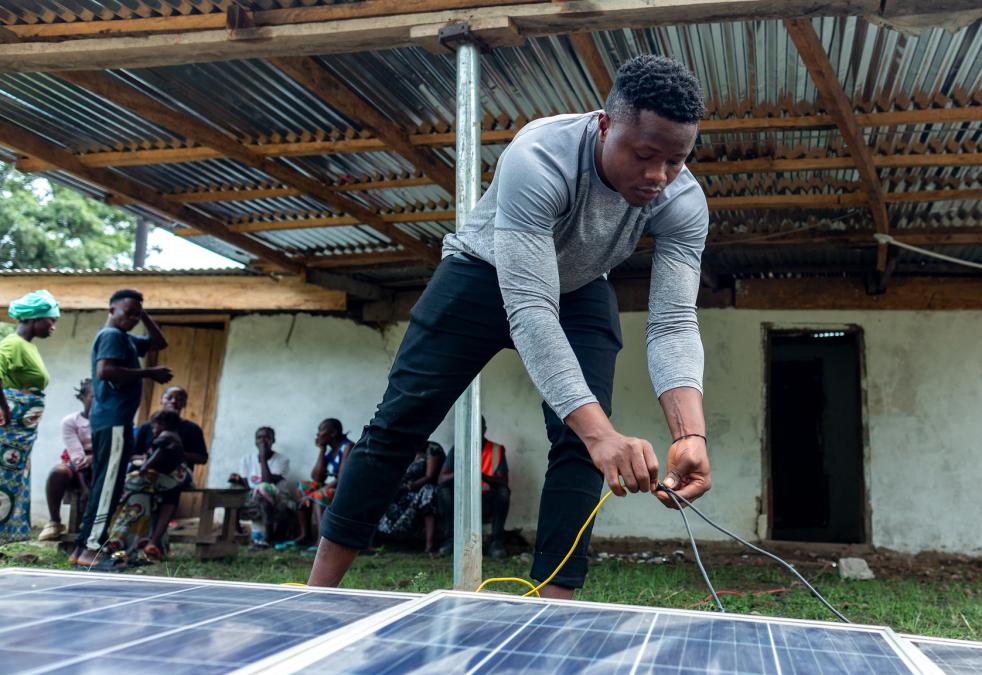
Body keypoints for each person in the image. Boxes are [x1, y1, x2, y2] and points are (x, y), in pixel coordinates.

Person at [308, 55, 714, 598]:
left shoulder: (683, 199)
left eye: (676, 161)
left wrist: (690, 434)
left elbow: (672, 322)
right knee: (399, 424)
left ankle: (550, 616)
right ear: (604, 124)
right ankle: (317, 595)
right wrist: (602, 435)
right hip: (483, 272)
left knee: (580, 443)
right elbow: (529, 307)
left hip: (580, 286)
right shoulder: (539, 155)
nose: (657, 177)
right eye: (644, 155)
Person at [70, 289, 171, 568]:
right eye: (128, 312)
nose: (133, 319)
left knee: (106, 485)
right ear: (111, 310)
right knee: (108, 487)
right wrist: (149, 373)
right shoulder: (112, 336)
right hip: (113, 421)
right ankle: (91, 548)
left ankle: (81, 549)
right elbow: (105, 371)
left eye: (137, 315)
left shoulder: (124, 338)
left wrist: (144, 314)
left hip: (113, 421)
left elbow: (159, 343)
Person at [0, 290, 59, 544]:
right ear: (35, 319)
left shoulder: (28, 347)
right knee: (3, 479)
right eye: (51, 320)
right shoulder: (12, 344)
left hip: (22, 431)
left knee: (12, 481)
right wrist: (5, 408)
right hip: (10, 427)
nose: (53, 326)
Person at [105, 409, 190, 562]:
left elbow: (159, 452)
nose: (153, 430)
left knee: (130, 482)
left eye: (154, 427)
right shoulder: (174, 436)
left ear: (163, 425)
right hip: (174, 475)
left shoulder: (166, 436)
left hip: (171, 477)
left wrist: (145, 466)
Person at [132, 386, 208, 548]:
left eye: (179, 398)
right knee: (139, 491)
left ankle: (154, 542)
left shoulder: (192, 429)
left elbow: (202, 458)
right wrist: (146, 458)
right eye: (169, 397)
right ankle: (136, 540)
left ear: (184, 404)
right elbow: (133, 455)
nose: (174, 401)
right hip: (150, 474)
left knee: (171, 491)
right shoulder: (147, 427)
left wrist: (179, 454)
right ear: (161, 401)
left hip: (176, 476)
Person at [436, 418, 510, 558]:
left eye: (478, 427)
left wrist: (480, 475)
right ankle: (450, 541)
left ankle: (496, 542)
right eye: (471, 428)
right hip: (462, 500)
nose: (474, 431)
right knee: (443, 491)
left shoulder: (496, 450)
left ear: (484, 429)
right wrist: (463, 470)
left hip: (485, 499)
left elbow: (503, 481)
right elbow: (442, 479)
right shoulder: (458, 448)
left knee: (503, 492)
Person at [38, 379, 94, 541]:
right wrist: (84, 489)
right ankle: (54, 521)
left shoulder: (108, 421)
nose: (97, 401)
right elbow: (77, 458)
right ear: (83, 397)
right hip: (78, 466)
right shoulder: (71, 421)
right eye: (93, 396)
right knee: (58, 472)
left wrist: (95, 458)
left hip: (101, 466)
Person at [284, 419, 352, 551]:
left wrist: (313, 495)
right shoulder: (330, 452)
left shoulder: (347, 447)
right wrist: (321, 450)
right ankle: (304, 535)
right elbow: (317, 477)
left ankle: (321, 543)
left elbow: (342, 479)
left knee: (319, 496)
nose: (317, 435)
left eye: (321, 430)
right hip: (335, 487)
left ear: (333, 433)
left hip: (348, 490)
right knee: (303, 488)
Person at [229, 426, 293, 547]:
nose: (263, 440)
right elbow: (247, 486)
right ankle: (237, 532)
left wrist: (263, 457)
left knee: (264, 487)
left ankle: (268, 537)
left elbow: (268, 482)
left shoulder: (282, 460)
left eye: (267, 437)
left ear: (273, 440)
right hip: (253, 500)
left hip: (276, 501)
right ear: (255, 441)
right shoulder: (246, 460)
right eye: (259, 437)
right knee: (233, 487)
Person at [377, 441, 445, 553]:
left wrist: (408, 487)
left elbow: (429, 476)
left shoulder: (432, 449)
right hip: (402, 493)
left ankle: (429, 546)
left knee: (428, 494)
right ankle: (378, 543)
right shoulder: (403, 448)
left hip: (420, 491)